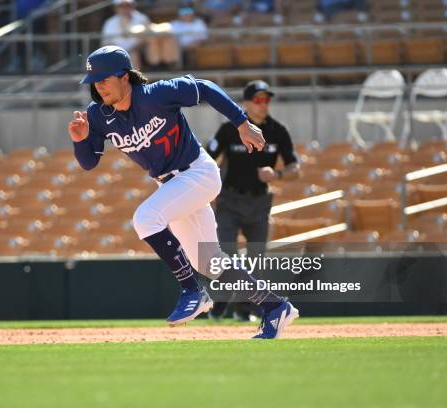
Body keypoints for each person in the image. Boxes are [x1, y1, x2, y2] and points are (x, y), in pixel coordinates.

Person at [68, 45, 299, 339]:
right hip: (172, 186)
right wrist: (80, 140)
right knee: (210, 263)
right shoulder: (98, 116)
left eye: (104, 79)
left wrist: (242, 123)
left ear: (124, 76)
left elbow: (205, 88)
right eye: (94, 82)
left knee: (146, 218)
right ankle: (275, 308)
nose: (98, 87)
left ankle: (192, 289)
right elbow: (88, 163)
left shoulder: (156, 94)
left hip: (198, 173)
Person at [206, 80, 301, 321]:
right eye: (257, 100)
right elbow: (207, 159)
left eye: (266, 99)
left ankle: (244, 309)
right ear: (246, 103)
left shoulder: (278, 131)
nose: (263, 104)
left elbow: (295, 168)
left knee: (257, 258)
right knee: (224, 253)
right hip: (229, 201)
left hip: (260, 203)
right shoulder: (229, 130)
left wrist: (277, 174)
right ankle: (219, 303)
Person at [102, 0, 178, 70]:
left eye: (127, 5)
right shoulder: (109, 22)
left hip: (140, 50)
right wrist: (119, 51)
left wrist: (134, 48)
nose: (124, 8)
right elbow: (106, 42)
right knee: (129, 56)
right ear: (116, 8)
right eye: (121, 6)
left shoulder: (142, 18)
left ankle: (163, 67)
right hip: (118, 52)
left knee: (136, 53)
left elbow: (148, 36)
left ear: (133, 6)